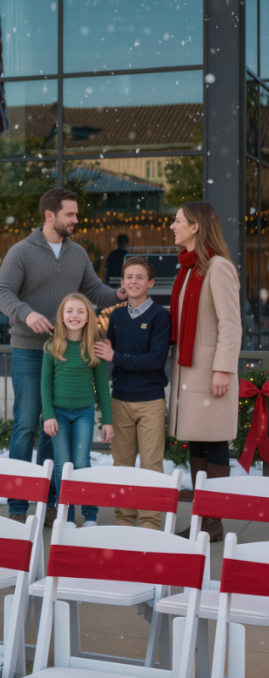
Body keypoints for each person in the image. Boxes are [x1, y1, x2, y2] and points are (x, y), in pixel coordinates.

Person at [0, 188, 126, 525]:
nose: (76, 220)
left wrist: (118, 294)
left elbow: (94, 290)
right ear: (50, 215)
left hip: (67, 353)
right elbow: (1, 292)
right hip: (29, 351)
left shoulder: (77, 253)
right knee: (25, 425)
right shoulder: (21, 252)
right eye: (71, 214)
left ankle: (51, 502)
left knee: (54, 430)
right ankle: (18, 506)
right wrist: (26, 314)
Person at [168, 202, 240, 542]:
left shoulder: (218, 267)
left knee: (214, 444)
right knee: (197, 443)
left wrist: (223, 369)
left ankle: (213, 521)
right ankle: (202, 518)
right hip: (190, 373)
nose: (173, 226)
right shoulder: (187, 269)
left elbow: (231, 324)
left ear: (196, 226)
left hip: (210, 373)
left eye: (178, 221)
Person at [94, 256, 172, 530]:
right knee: (122, 467)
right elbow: (106, 352)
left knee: (152, 466)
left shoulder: (161, 316)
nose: (134, 282)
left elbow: (155, 360)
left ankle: (151, 525)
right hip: (120, 399)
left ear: (150, 283)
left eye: (140, 277)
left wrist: (116, 355)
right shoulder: (115, 315)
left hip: (150, 400)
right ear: (122, 283)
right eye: (129, 277)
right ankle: (124, 523)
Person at [41, 293, 114, 527]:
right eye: (70, 311)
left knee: (82, 463)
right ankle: (68, 517)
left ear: (88, 318)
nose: (75, 316)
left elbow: (102, 387)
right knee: (63, 464)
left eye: (80, 311)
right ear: (62, 317)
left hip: (84, 413)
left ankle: (90, 514)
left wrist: (108, 421)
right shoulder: (53, 346)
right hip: (59, 414)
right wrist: (49, 415)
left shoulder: (94, 348)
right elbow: (45, 385)